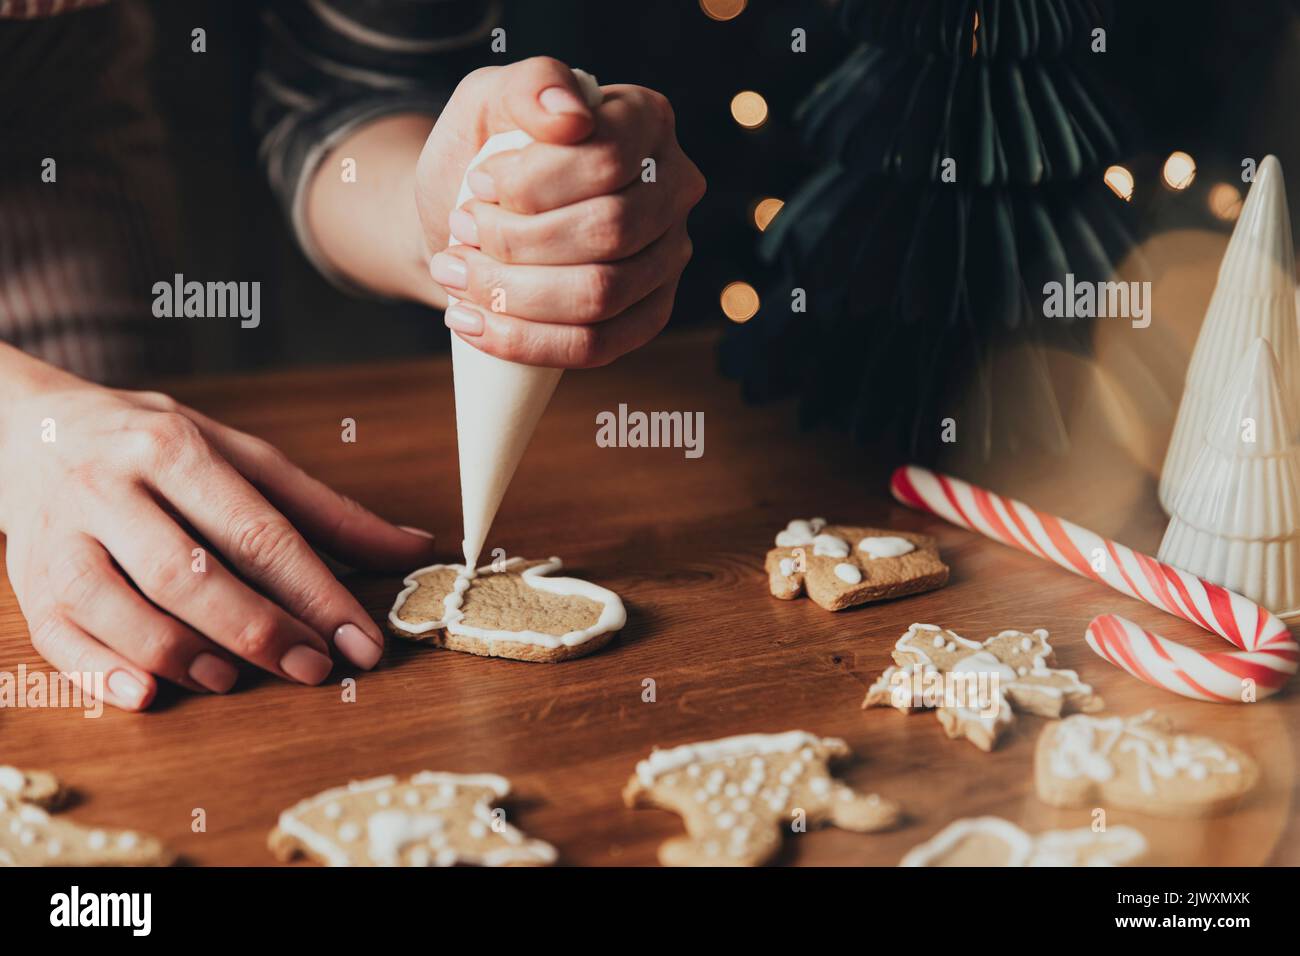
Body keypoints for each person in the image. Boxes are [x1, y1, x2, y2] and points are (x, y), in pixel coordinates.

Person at [0, 0, 704, 710]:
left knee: (149, 559)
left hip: (58, 159)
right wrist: (21, 422)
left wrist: (454, 223)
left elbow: (351, 88)